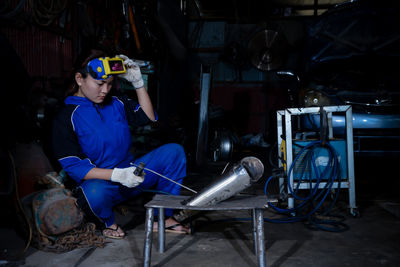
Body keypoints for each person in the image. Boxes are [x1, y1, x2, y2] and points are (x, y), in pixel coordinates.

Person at [51, 49, 190, 239]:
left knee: (173, 152)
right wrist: (118, 175)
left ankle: (163, 217)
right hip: (103, 184)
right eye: (99, 83)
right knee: (92, 193)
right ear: (79, 79)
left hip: (133, 175)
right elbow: (75, 168)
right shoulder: (66, 117)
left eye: (109, 84)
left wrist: (138, 83)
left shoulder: (116, 101)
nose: (105, 90)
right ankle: (107, 222)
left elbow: (148, 117)